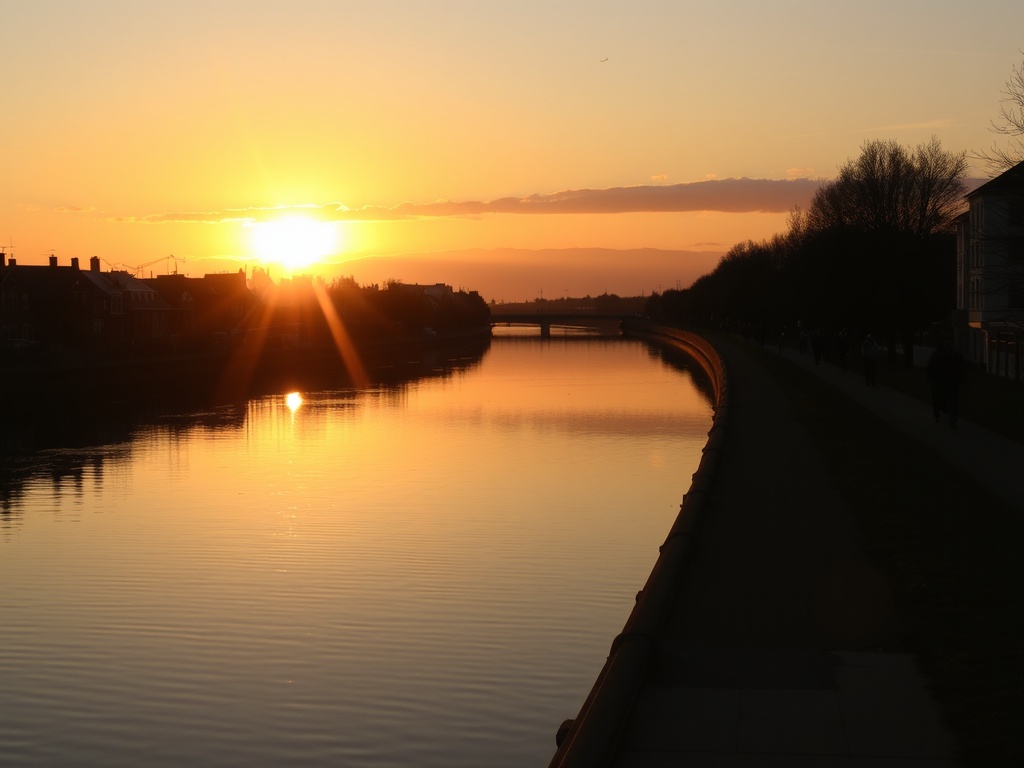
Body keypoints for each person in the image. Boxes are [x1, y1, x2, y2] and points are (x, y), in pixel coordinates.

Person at [927, 341, 965, 428]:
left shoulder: (936, 355)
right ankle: (952, 419)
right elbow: (960, 368)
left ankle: (939, 415)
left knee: (938, 399)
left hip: (940, 382)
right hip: (950, 382)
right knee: (952, 401)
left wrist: (930, 379)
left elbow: (930, 368)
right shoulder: (955, 355)